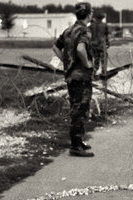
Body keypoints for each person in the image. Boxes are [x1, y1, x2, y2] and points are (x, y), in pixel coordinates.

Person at [53, 2, 95, 157]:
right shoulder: (85, 31)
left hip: (71, 75)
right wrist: (87, 63)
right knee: (80, 109)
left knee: (76, 107)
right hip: (81, 76)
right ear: (89, 14)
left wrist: (67, 62)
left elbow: (56, 48)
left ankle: (79, 141)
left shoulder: (68, 30)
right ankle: (75, 145)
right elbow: (80, 49)